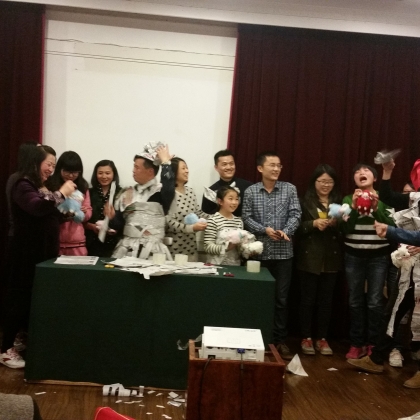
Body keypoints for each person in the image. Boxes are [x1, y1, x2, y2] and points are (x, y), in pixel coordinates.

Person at [0, 146, 75, 368]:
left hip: (42, 252)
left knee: (32, 299)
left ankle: (19, 340)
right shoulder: (22, 184)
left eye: (54, 165)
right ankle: (5, 350)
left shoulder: (40, 186)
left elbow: (47, 214)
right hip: (25, 253)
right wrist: (62, 193)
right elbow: (36, 207)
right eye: (48, 164)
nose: (51, 169)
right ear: (35, 162)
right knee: (19, 299)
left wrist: (67, 214)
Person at [348, 159, 420, 388]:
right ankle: (377, 358)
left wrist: (390, 231)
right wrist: (387, 172)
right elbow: (389, 197)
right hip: (413, 272)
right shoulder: (417, 198)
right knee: (393, 311)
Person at [242, 151, 301, 360]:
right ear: (260, 168)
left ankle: (279, 340)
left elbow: (296, 214)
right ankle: (257, 339)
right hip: (258, 253)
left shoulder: (289, 189)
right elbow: (246, 217)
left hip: (284, 254)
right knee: (258, 297)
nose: (276, 169)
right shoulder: (251, 191)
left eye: (279, 165)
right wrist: (264, 230)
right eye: (272, 165)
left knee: (281, 299)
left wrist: (286, 230)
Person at [341, 163, 395, 360]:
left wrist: (375, 208)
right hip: (353, 256)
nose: (361, 173)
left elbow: (392, 227)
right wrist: (355, 208)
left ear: (375, 178)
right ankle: (356, 343)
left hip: (378, 257)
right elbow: (344, 229)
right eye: (357, 171)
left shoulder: (384, 198)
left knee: (374, 302)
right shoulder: (348, 199)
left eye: (366, 171)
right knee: (355, 301)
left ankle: (373, 343)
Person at [295, 164, 342, 356]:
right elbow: (296, 227)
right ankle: (306, 337)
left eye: (329, 181)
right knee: (307, 300)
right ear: (314, 182)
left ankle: (322, 338)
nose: (325, 185)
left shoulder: (340, 203)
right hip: (309, 257)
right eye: (322, 181)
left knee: (326, 301)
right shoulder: (304, 201)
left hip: (331, 257)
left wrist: (337, 223)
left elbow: (346, 231)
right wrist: (313, 223)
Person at [109, 145, 175, 259]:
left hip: (153, 252)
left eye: (137, 167)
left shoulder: (161, 192)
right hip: (127, 250)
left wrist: (165, 163)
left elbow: (169, 184)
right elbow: (118, 225)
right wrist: (112, 217)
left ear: (150, 171)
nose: (133, 170)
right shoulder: (126, 193)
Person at [46, 151, 92, 256]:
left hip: (77, 242)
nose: (71, 175)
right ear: (60, 169)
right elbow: (47, 209)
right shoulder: (51, 185)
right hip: (56, 241)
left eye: (75, 172)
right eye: (67, 171)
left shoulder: (83, 186)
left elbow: (88, 210)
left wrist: (84, 213)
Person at [166, 157, 208, 261]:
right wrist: (192, 228)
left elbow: (198, 213)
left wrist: (216, 217)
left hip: (191, 248)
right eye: (183, 168)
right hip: (173, 250)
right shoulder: (168, 193)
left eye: (187, 168)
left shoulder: (190, 191)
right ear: (174, 172)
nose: (187, 171)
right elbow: (169, 222)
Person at [84, 160, 121, 257]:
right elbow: (82, 220)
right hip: (91, 243)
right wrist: (92, 227)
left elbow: (125, 220)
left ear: (114, 174)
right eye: (100, 173)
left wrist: (114, 224)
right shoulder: (89, 192)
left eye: (107, 173)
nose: (104, 176)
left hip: (115, 244)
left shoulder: (121, 193)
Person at [202, 149, 252, 217]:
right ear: (216, 167)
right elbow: (205, 217)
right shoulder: (210, 192)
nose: (228, 167)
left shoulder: (248, 187)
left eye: (231, 164)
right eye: (224, 164)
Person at [204, 186, 243, 265]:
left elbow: (239, 246)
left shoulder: (239, 221)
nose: (234, 202)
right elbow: (207, 246)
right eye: (230, 199)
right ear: (220, 201)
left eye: (236, 199)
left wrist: (247, 249)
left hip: (234, 265)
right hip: (215, 265)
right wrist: (226, 247)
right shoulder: (213, 220)